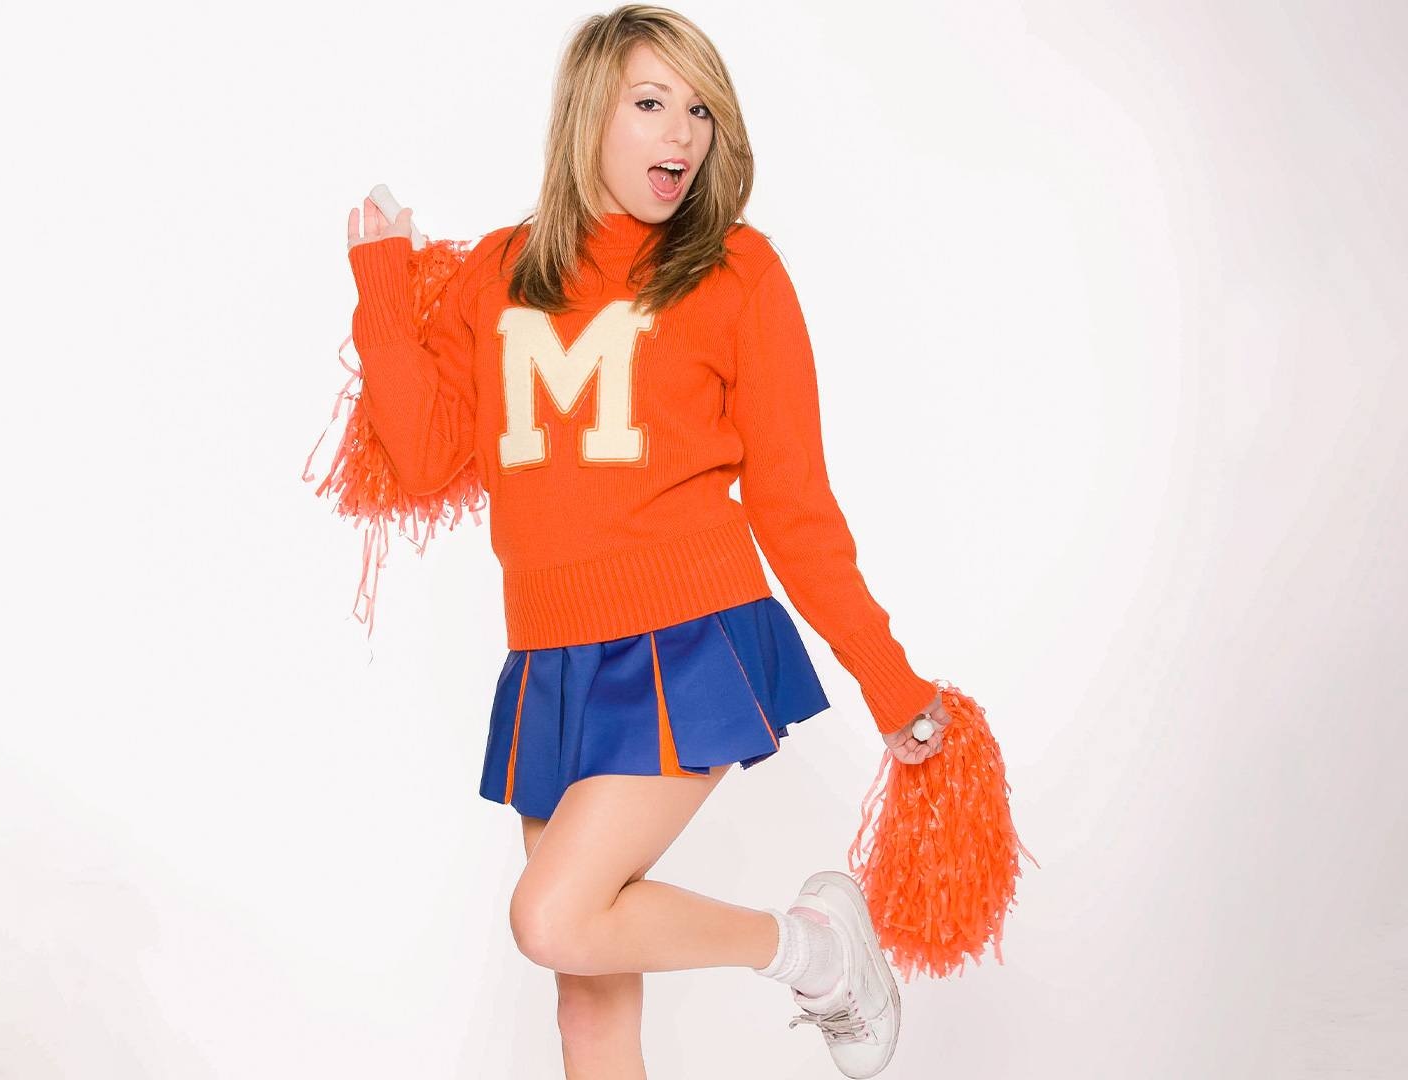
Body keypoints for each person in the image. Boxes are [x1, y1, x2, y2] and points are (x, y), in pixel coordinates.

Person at [342, 6, 951, 1077]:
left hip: (685, 640)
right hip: (550, 661)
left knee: (553, 917)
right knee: (586, 1004)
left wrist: (891, 682)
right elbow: (429, 456)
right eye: (653, 102)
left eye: (701, 110)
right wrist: (384, 291)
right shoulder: (499, 272)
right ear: (589, 113)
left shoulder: (736, 272)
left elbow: (795, 505)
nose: (683, 133)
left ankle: (813, 952)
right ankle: (811, 954)